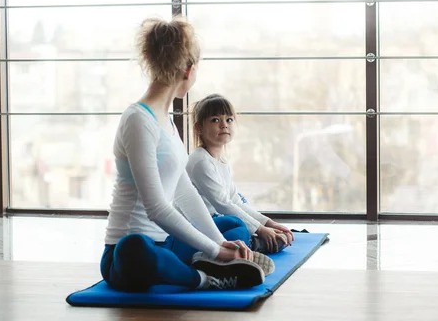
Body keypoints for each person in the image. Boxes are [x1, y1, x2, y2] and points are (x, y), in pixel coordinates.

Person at [100, 17, 272, 293]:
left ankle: (201, 264)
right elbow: (156, 209)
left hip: (167, 242)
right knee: (134, 248)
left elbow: (185, 193)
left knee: (232, 226)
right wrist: (216, 252)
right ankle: (206, 279)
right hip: (126, 254)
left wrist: (219, 243)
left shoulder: (166, 122)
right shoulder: (137, 120)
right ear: (189, 70)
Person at [187, 94, 295, 254]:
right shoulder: (200, 161)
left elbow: (235, 200)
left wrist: (269, 224)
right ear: (199, 128)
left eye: (229, 119)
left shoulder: (221, 161)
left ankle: (252, 245)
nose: (224, 125)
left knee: (245, 217)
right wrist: (260, 230)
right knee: (238, 228)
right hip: (202, 225)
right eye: (215, 120)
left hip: (220, 220)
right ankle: (250, 245)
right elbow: (223, 204)